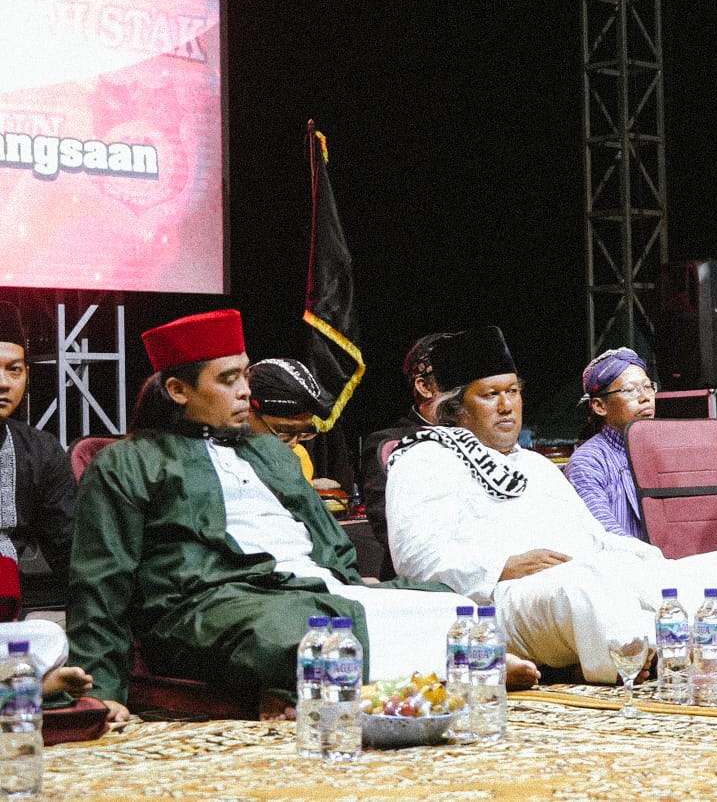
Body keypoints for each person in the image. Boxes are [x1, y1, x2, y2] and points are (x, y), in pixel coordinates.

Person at [69, 310, 514, 725]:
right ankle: (446, 669)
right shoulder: (128, 463)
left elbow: (330, 543)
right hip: (211, 607)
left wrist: (354, 585)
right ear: (178, 390)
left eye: (244, 374)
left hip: (314, 590)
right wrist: (102, 691)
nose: (245, 390)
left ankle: (345, 681)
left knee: (447, 604)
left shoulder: (269, 453)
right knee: (304, 631)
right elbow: (100, 583)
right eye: (227, 380)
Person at [385, 326, 717, 682]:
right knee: (589, 587)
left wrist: (647, 561)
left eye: (513, 392)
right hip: (502, 598)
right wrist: (502, 567)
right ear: (457, 408)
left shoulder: (536, 465)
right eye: (491, 395)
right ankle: (661, 652)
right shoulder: (425, 458)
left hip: (591, 575)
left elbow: (595, 539)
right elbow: (416, 563)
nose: (507, 406)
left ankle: (663, 650)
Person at [0, 302, 75, 608]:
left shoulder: (40, 450)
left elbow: (70, 548)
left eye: (13, 370)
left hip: (13, 604)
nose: (3, 383)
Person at [359, 332, 449, 577]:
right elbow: (394, 533)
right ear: (424, 386)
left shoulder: (488, 443)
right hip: (422, 584)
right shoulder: (392, 445)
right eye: (456, 381)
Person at [565, 347, 656, 538]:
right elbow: (605, 534)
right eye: (630, 390)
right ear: (599, 406)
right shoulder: (587, 462)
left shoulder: (666, 450)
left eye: (648, 387)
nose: (645, 398)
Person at [245, 358, 337, 485]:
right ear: (247, 409)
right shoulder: (213, 464)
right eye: (285, 432)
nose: (294, 444)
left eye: (303, 433)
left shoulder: (298, 458)